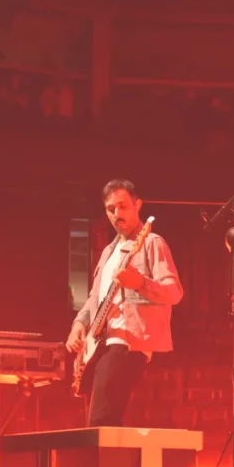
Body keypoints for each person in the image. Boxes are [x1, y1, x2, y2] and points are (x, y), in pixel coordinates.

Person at [66, 179, 184, 426]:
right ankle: (108, 464)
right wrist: (79, 324)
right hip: (100, 344)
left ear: (137, 205)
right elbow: (94, 299)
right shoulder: (108, 253)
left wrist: (139, 281)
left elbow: (174, 293)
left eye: (123, 206)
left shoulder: (152, 243)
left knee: (102, 419)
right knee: (98, 422)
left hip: (129, 343)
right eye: (111, 209)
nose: (117, 214)